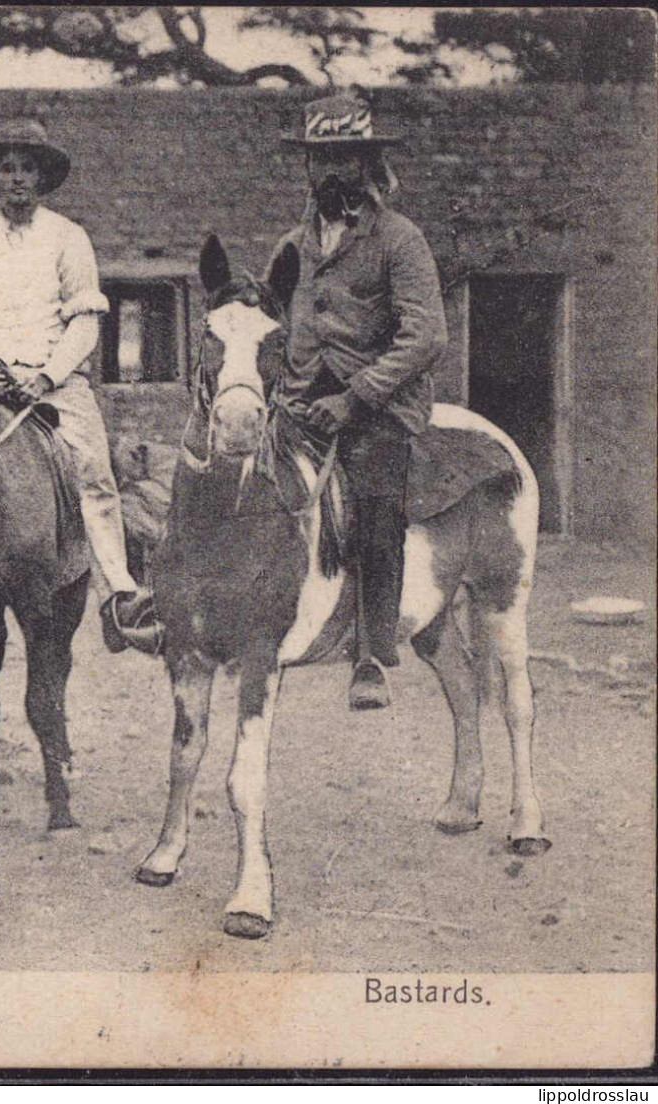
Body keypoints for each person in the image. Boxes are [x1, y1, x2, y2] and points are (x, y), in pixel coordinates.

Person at [0, 118, 152, 654]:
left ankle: (118, 595)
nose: (16, 179)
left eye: (26, 169)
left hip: (55, 381)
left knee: (93, 472)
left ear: (41, 178)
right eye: (6, 169)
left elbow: (85, 320)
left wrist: (47, 376)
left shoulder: (68, 237)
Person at [271, 91, 449, 710]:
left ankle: (371, 652)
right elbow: (276, 320)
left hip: (377, 405)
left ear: (368, 165)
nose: (333, 172)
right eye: (322, 160)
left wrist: (356, 399)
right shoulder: (293, 245)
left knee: (375, 509)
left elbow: (425, 334)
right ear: (308, 168)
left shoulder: (400, 238)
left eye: (346, 158)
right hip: (299, 401)